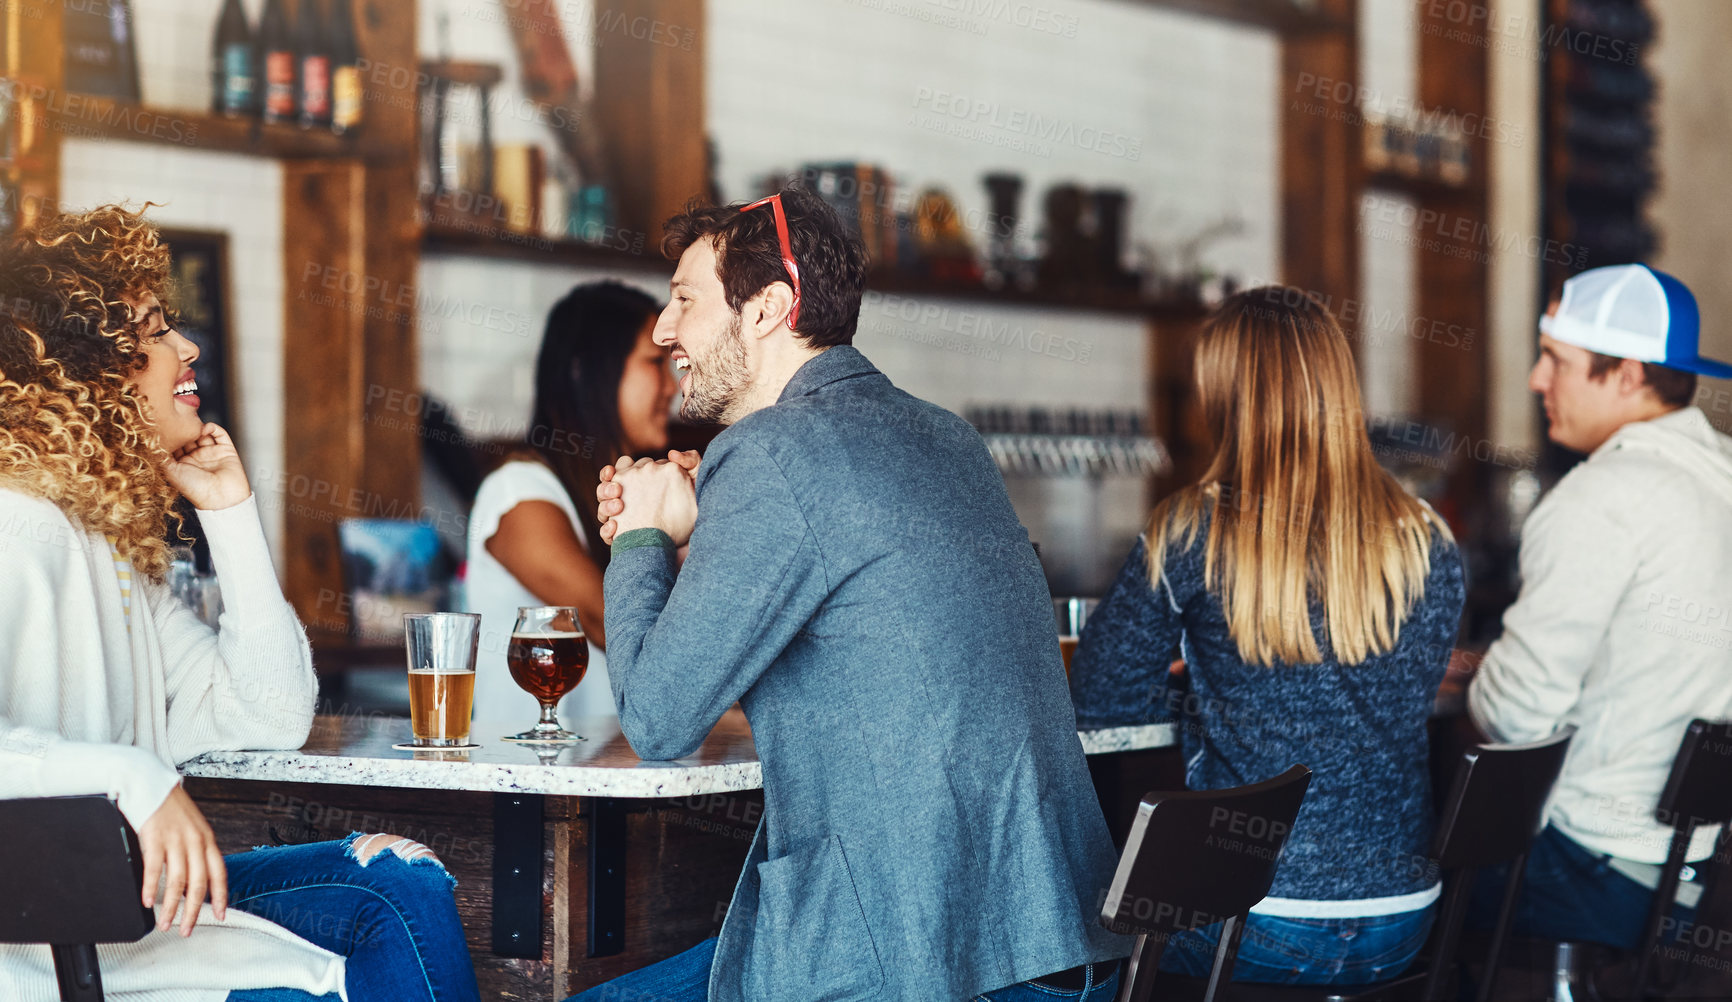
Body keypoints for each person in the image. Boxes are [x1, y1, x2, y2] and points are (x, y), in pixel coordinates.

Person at [580, 187, 1130, 1002]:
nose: (665, 330)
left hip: (910, 960)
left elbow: (659, 721)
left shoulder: (768, 450)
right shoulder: (946, 435)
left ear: (768, 308)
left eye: (685, 300)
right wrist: (706, 527)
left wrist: (641, 534)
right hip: (1047, 951)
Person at [0, 206, 480, 1002]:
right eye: (154, 332)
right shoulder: (18, 527)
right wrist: (132, 779)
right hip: (47, 959)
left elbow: (271, 712)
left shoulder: (109, 546)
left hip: (130, 927)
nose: (186, 349)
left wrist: (230, 510)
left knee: (399, 883)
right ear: (86, 373)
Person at [1070, 286, 1466, 987]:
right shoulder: (1425, 537)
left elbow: (1101, 695)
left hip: (1253, 923)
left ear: (1226, 396)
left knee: (1080, 930)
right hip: (1403, 920)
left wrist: (1212, 694)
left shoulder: (1190, 529)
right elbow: (1395, 687)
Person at [1467, 263, 1732, 949]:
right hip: (1696, 872)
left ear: (1627, 375)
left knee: (1411, 884)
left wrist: (1486, 672)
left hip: (1591, 875)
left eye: (1556, 360)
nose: (1536, 380)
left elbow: (1514, 717)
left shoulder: (1598, 497)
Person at [466, 281, 678, 725]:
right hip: (529, 779)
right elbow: (608, 622)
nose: (672, 387)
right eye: (655, 362)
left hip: (612, 769)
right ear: (586, 371)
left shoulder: (622, 488)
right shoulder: (518, 492)